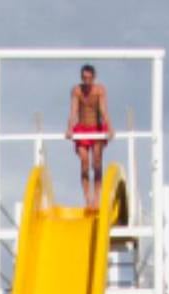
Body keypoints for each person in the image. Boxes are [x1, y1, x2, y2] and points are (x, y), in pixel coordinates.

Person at [66, 63, 113, 209]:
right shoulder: (77, 91)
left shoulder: (99, 90)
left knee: (96, 163)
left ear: (94, 78)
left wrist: (110, 127)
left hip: (97, 128)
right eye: (84, 78)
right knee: (85, 162)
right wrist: (69, 129)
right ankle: (87, 199)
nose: (86, 81)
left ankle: (97, 197)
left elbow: (103, 110)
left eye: (89, 78)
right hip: (82, 129)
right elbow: (73, 111)